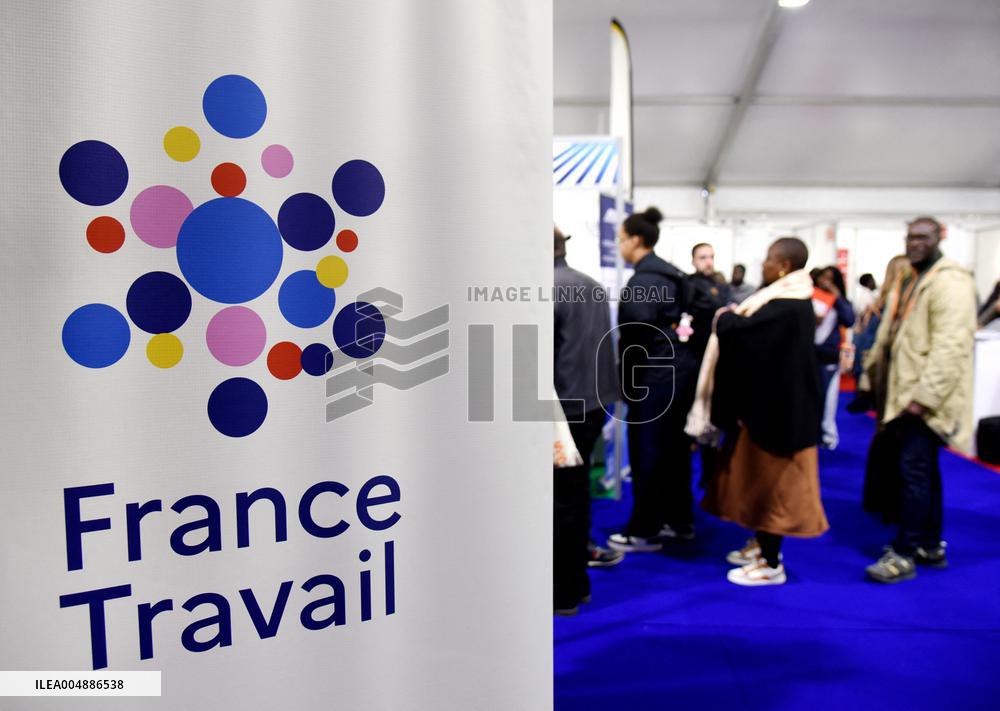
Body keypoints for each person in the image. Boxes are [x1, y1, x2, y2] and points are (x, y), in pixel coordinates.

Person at [699, 237, 828, 586]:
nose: (763, 264)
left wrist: (725, 318)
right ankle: (761, 546)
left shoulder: (787, 306)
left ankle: (770, 562)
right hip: (771, 415)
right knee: (757, 482)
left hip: (779, 419)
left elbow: (744, 335)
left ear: (784, 266)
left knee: (773, 487)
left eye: (769, 259)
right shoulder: (788, 301)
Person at [860, 217, 977, 583]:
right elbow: (890, 334)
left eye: (923, 237)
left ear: (940, 237)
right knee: (922, 472)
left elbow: (950, 347)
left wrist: (923, 399)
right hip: (901, 394)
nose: (915, 243)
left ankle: (905, 552)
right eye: (910, 237)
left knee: (913, 475)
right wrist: (871, 377)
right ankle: (928, 543)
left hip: (921, 400)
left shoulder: (950, 282)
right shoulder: (912, 278)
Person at [607, 207, 701, 551]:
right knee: (674, 452)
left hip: (653, 377)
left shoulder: (645, 281)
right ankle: (678, 520)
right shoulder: (672, 275)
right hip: (677, 374)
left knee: (647, 452)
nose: (619, 245)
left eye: (621, 239)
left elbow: (635, 335)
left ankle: (645, 528)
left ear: (636, 240)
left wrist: (627, 383)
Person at [553, 227, 623, 615]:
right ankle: (576, 584)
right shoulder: (590, 285)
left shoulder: (543, 289)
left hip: (561, 412)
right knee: (576, 497)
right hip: (593, 406)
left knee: (561, 501)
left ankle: (562, 592)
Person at [813, 266, 855, 449]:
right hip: (811, 354)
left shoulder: (840, 301)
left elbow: (849, 320)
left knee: (828, 397)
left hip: (829, 357)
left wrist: (836, 297)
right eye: (823, 278)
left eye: (830, 279)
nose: (825, 282)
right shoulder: (811, 297)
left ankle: (827, 435)